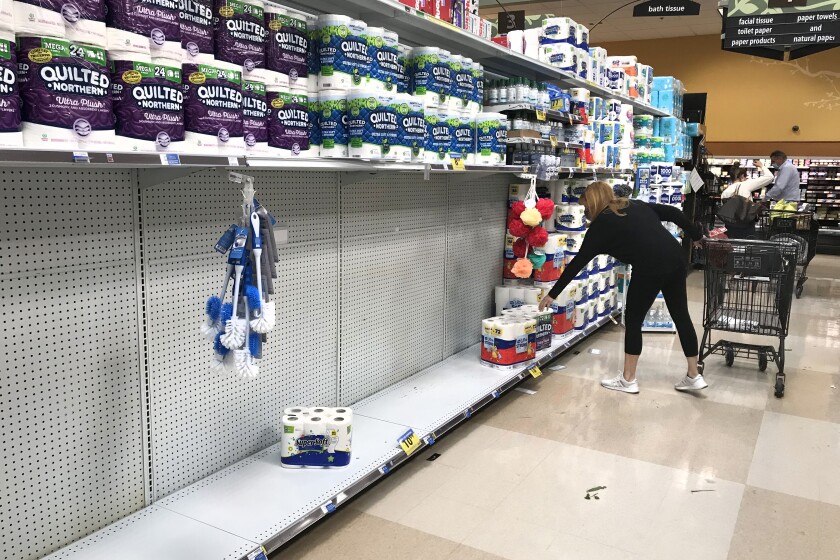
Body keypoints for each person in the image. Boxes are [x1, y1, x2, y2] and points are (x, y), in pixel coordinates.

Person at [539, 182, 705, 394]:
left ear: (593, 202)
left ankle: (628, 380)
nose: (585, 212)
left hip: (650, 266)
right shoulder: (634, 204)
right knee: (681, 316)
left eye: (585, 206)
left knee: (634, 320)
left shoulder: (600, 226)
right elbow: (673, 213)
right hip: (676, 258)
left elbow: (578, 262)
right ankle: (694, 375)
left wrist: (552, 294)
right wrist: (696, 235)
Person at [720, 159, 774, 239]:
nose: (747, 179)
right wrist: (761, 166)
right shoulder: (745, 185)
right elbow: (770, 177)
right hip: (745, 224)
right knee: (747, 246)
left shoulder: (725, 192)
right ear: (742, 176)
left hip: (730, 226)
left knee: (732, 246)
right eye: (746, 177)